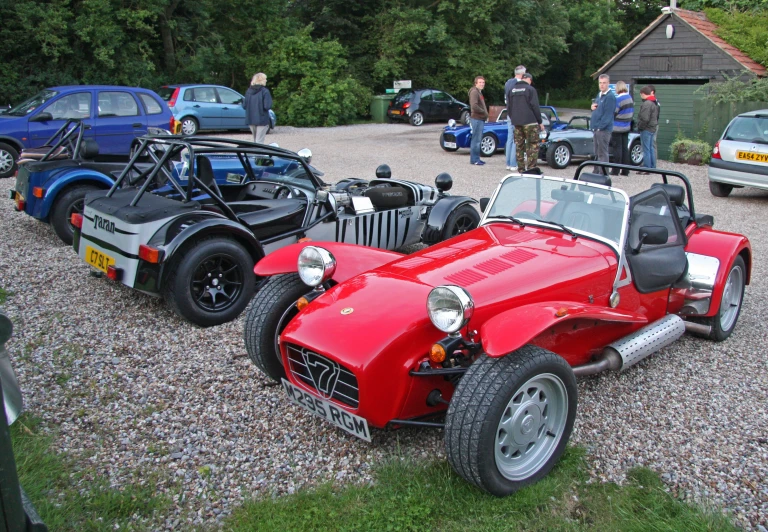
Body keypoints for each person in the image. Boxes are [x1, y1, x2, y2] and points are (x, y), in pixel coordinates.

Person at [508, 73, 544, 171]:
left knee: (519, 145)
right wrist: (539, 121)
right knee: (532, 145)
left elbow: (509, 107)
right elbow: (535, 106)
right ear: (529, 79)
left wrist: (513, 119)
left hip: (517, 122)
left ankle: (521, 168)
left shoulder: (511, 90)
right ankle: (531, 168)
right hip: (530, 122)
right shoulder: (530, 90)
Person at [590, 74, 616, 174]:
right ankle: (596, 171)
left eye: (604, 83)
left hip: (603, 130)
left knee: (602, 152)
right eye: (600, 83)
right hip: (596, 128)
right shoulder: (599, 94)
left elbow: (608, 115)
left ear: (608, 83)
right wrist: (592, 107)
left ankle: (604, 174)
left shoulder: (610, 97)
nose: (602, 85)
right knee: (596, 152)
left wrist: (600, 127)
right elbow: (597, 108)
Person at [504, 65, 526, 171]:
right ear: (522, 74)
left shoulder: (508, 83)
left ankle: (508, 162)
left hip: (508, 112)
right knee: (516, 139)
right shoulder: (519, 84)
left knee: (510, 138)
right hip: (516, 113)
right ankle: (513, 163)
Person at [610, 81, 634, 176]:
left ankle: (615, 170)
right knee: (625, 149)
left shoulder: (618, 100)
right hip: (626, 127)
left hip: (617, 127)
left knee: (617, 149)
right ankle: (625, 170)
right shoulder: (629, 98)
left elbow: (614, 112)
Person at [243, 72, 273, 144]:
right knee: (259, 141)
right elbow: (267, 106)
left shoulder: (248, 91)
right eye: (265, 79)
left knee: (255, 141)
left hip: (251, 119)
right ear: (261, 80)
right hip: (262, 120)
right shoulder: (265, 91)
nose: (266, 80)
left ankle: (255, 154)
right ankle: (258, 155)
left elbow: (244, 105)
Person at [637, 86, 659, 173]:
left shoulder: (646, 104)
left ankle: (646, 168)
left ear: (642, 94)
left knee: (646, 149)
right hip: (652, 128)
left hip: (646, 129)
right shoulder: (654, 103)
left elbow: (645, 118)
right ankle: (652, 166)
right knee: (650, 148)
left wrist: (640, 127)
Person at [468, 76, 489, 166]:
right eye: (480, 82)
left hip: (480, 119)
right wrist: (484, 112)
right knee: (476, 140)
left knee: (478, 139)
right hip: (476, 119)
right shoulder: (474, 92)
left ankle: (476, 158)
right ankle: (475, 160)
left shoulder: (479, 92)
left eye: (483, 82)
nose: (482, 84)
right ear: (475, 83)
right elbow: (474, 106)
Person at [648, 84, 660, 164]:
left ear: (652, 92)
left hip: (652, 125)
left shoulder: (653, 102)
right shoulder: (657, 102)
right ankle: (652, 162)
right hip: (655, 124)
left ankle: (652, 163)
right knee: (652, 144)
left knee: (651, 144)